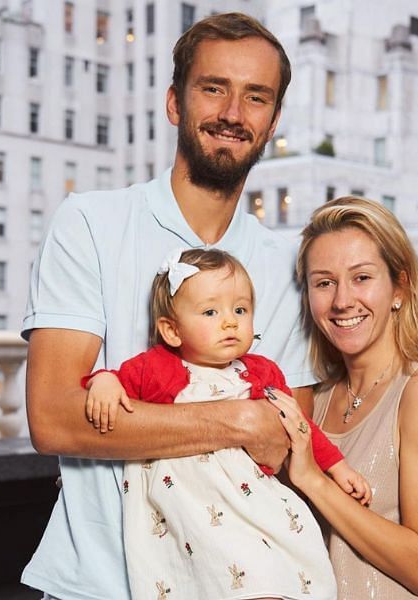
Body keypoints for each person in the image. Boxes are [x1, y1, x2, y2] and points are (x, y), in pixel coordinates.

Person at [20, 13, 306, 599]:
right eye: (213, 88)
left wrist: (132, 425)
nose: (232, 112)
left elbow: (282, 445)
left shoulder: (286, 265)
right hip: (94, 585)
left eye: (255, 97)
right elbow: (53, 416)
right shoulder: (91, 223)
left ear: (273, 122)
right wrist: (236, 420)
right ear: (174, 103)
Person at [84, 248, 370, 599]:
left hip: (251, 499)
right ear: (172, 331)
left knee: (283, 562)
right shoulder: (156, 367)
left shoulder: (261, 372)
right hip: (190, 503)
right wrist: (104, 380)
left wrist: (337, 467)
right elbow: (113, 382)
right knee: (227, 572)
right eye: (210, 312)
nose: (230, 322)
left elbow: (301, 425)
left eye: (240, 310)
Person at [266, 197, 418, 599]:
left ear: (400, 286)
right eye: (324, 282)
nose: (342, 301)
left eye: (361, 278)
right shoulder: (314, 399)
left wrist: (314, 482)